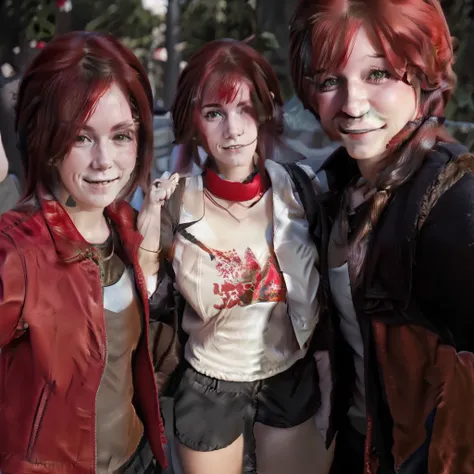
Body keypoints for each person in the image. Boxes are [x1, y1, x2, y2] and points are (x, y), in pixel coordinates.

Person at [289, 0, 474, 473]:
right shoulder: (331, 188)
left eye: (378, 75)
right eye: (331, 81)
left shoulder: (451, 201)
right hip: (350, 446)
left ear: (423, 74)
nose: (351, 105)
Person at [153, 39, 335, 474]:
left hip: (289, 373)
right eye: (215, 112)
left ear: (266, 110)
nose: (232, 129)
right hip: (208, 383)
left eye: (244, 108)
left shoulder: (301, 189)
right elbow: (147, 300)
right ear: (194, 121)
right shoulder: (174, 204)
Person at [0, 31, 174, 474]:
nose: (105, 161)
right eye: (81, 138)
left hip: (140, 457)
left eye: (121, 135)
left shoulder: (125, 224)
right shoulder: (17, 252)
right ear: (46, 140)